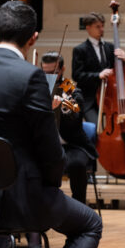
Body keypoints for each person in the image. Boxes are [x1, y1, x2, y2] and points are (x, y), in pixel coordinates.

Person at [0, 1, 102, 248]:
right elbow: (51, 153)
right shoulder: (30, 76)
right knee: (90, 225)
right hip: (20, 199)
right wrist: (51, 185)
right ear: (33, 39)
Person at [41, 51, 99, 205]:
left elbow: (76, 117)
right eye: (44, 72)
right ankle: (42, 208)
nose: (49, 77)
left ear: (62, 70)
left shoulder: (71, 90)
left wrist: (63, 106)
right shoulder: (37, 88)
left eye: (53, 72)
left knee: (77, 164)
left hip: (72, 145)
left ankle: (79, 206)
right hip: (46, 145)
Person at [72, 12, 125, 125]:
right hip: (90, 99)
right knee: (95, 127)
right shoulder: (80, 50)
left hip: (110, 97)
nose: (101, 29)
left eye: (102, 26)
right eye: (98, 26)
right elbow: (77, 75)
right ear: (88, 28)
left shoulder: (110, 47)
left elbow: (122, 71)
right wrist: (98, 75)